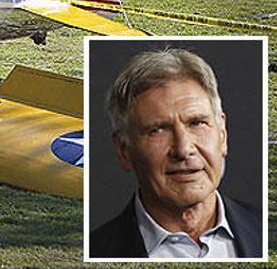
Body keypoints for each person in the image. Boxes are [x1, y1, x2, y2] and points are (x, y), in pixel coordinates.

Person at [90, 48, 261, 259]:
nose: (183, 149)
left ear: (223, 135)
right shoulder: (96, 251)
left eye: (197, 123)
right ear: (124, 150)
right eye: (157, 130)